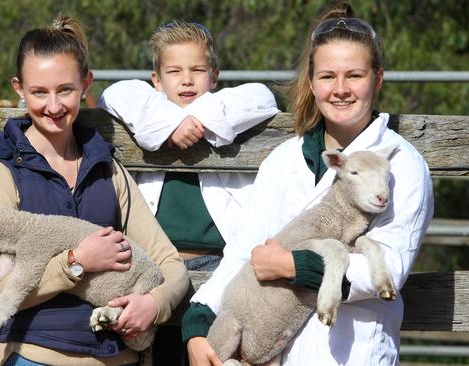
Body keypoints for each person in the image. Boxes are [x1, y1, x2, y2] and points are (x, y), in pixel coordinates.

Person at [183, 3, 434, 366]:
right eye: (328, 76)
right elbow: (244, 251)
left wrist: (292, 265)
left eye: (355, 76)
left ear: (377, 79)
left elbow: (388, 267)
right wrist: (198, 323)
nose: (341, 89)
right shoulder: (284, 160)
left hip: (353, 355)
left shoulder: (402, 164)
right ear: (312, 82)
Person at [0, 15, 189, 366]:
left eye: (65, 90)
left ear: (85, 84)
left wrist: (153, 305)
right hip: (33, 355)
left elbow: (171, 263)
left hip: (117, 357)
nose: (53, 106)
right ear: (18, 88)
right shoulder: (0, 171)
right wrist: (76, 264)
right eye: (39, 92)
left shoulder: (106, 167)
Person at [98, 20, 279, 366]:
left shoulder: (228, 107)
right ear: (156, 80)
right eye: (174, 71)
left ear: (214, 77)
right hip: (154, 268)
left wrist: (192, 119)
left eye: (198, 70)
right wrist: (170, 125)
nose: (186, 79)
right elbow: (115, 94)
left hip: (218, 266)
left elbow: (263, 96)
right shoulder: (146, 108)